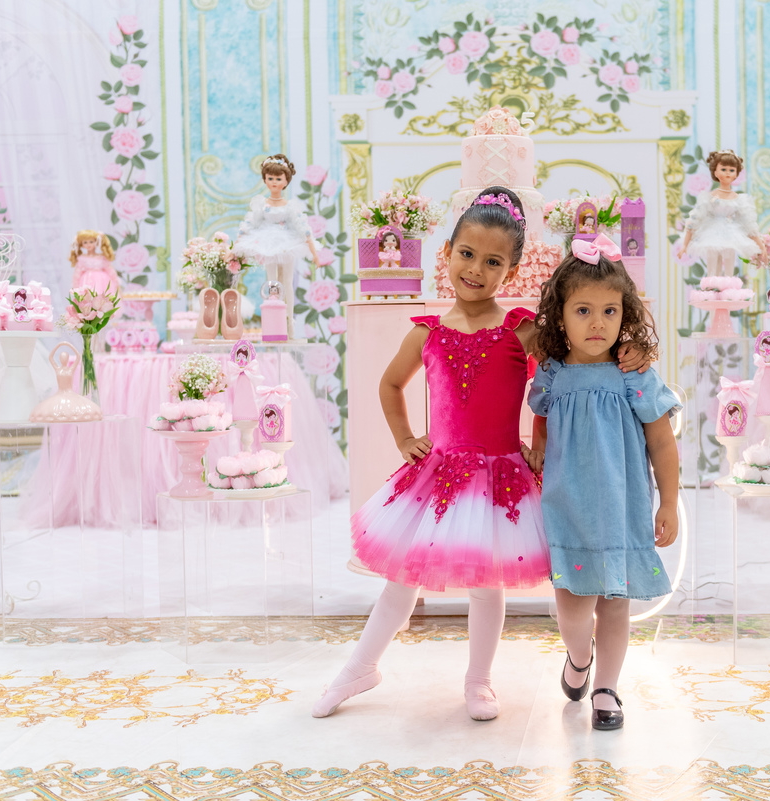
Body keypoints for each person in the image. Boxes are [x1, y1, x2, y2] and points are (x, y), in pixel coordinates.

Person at [312, 188, 650, 722]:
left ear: (510, 271)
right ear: (446, 252)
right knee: (402, 578)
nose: (476, 269)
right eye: (467, 254)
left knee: (486, 585)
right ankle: (360, 666)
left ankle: (479, 680)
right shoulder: (426, 332)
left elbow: (567, 370)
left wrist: (629, 350)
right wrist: (404, 438)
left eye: (493, 262)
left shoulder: (521, 330)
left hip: (500, 477)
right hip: (438, 476)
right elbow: (389, 385)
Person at [529, 233, 681, 731]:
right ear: (561, 315)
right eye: (583, 311)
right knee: (573, 611)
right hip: (569, 508)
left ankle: (607, 689)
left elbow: (662, 442)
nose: (598, 323)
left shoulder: (633, 374)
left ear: (625, 314)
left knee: (615, 606)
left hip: (622, 509)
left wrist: (669, 502)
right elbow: (542, 420)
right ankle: (579, 656)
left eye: (610, 312)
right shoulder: (552, 374)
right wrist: (539, 450)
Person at [232, 154, 319, 339]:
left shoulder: (289, 206)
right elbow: (249, 224)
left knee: (287, 281)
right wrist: (234, 248)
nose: (274, 182)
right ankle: (273, 324)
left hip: (286, 243)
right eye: (270, 178)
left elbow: (303, 228)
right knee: (271, 282)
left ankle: (289, 323)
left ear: (286, 181)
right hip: (267, 243)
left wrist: (314, 252)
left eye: (278, 179)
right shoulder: (262, 205)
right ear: (265, 179)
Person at [678, 150, 765, 276]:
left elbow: (748, 225)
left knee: (729, 258)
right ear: (715, 172)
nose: (728, 173)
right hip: (711, 232)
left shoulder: (739, 199)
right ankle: (711, 284)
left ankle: (729, 283)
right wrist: (685, 245)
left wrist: (762, 247)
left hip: (731, 233)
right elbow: (695, 219)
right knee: (713, 261)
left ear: (736, 174)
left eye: (732, 170)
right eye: (723, 169)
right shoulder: (709, 197)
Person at [69, 230, 121, 297]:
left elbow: (110, 270)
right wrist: (75, 287)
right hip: (86, 281)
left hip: (102, 281)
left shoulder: (102, 257)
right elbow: (77, 274)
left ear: (96, 242)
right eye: (85, 242)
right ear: (82, 244)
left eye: (91, 242)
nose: (88, 244)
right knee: (88, 298)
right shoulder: (82, 258)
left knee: (103, 297)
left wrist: (116, 283)